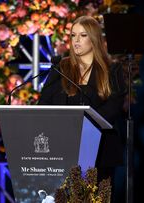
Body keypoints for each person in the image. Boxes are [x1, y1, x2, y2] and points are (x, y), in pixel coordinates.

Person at [38, 16, 126, 199]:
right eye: (73, 35)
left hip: (100, 153)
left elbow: (114, 107)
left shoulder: (113, 70)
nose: (76, 40)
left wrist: (82, 126)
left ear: (94, 38)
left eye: (83, 35)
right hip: (61, 151)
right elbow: (44, 104)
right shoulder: (61, 68)